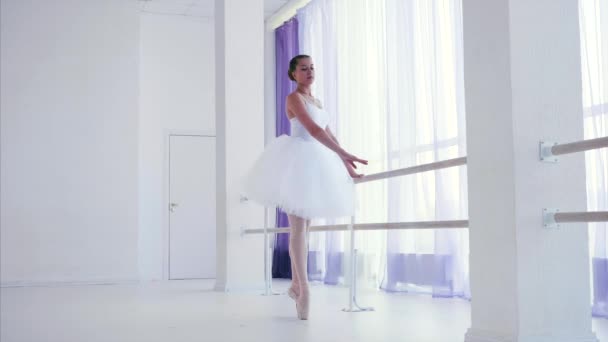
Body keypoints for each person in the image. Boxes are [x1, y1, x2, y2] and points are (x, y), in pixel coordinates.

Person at [242, 55, 368, 320]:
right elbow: (312, 130)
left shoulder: (316, 101)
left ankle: (297, 285)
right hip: (297, 161)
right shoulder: (294, 98)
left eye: (312, 67)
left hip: (316, 163)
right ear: (293, 74)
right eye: (303, 68)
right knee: (297, 228)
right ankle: (304, 289)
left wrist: (347, 164)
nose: (309, 71)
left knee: (306, 230)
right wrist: (344, 154)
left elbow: (329, 134)